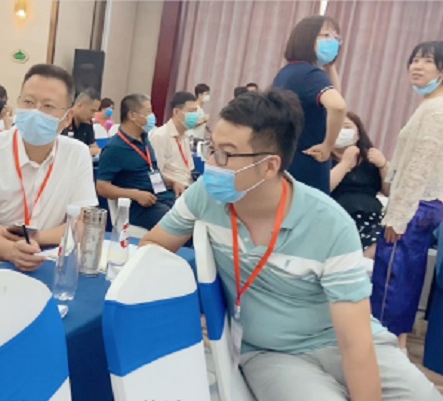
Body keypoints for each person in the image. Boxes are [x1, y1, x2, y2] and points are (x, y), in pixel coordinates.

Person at [140, 89, 441, 401]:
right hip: (272, 353)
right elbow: (153, 247)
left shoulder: (329, 223)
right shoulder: (205, 195)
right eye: (211, 148)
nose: (211, 164)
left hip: (341, 339)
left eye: (225, 154)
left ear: (270, 165)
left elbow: (354, 342)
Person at [0, 64, 98, 274]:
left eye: (48, 106)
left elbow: (83, 223)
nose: (36, 112)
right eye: (28, 102)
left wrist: (35, 238)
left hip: (41, 262)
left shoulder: (77, 153)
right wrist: (12, 251)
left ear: (67, 117)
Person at [371, 40, 443, 353]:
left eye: (426, 60)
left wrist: (398, 216)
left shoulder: (435, 110)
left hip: (415, 206)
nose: (416, 66)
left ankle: (385, 348)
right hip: (422, 204)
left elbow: (419, 167)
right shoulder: (429, 105)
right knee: (406, 280)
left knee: (392, 281)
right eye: (414, 60)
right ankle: (395, 345)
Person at [273, 15, 347, 194]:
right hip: (308, 161)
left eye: (336, 38)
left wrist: (329, 66)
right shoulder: (311, 75)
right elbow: (338, 106)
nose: (333, 41)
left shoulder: (288, 72)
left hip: (288, 158)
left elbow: (335, 95)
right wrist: (328, 145)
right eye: (326, 35)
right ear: (307, 38)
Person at [96, 94, 184, 231]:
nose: (152, 116)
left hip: (161, 197)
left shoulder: (144, 139)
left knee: (191, 213)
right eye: (148, 112)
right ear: (132, 115)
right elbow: (102, 187)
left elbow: (150, 171)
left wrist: (172, 183)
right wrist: (135, 195)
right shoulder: (114, 148)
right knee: (180, 225)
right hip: (140, 206)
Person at [330, 112, 390, 258]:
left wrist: (383, 165)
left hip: (371, 217)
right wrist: (345, 163)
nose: (341, 131)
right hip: (337, 218)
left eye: (346, 127)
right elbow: (324, 187)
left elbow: (390, 191)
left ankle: (361, 264)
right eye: (336, 127)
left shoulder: (370, 158)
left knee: (385, 242)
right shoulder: (323, 159)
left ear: (357, 134)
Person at [149, 91, 198, 189]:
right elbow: (154, 175)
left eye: (195, 111)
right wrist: (173, 184)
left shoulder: (185, 136)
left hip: (186, 186)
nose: (195, 115)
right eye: (191, 111)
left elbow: (188, 169)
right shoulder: (160, 136)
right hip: (171, 190)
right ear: (176, 112)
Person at [62, 89, 101, 156]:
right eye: (92, 111)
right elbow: (64, 150)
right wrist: (86, 151)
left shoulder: (87, 123)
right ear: (80, 105)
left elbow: (95, 148)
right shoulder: (63, 120)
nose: (93, 116)